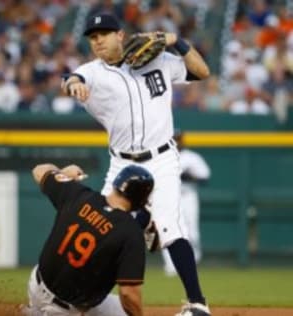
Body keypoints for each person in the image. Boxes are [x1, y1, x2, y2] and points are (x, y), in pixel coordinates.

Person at [61, 12, 211, 316]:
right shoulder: (91, 72)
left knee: (171, 227)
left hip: (163, 158)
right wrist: (73, 84)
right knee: (103, 230)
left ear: (120, 35)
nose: (98, 40)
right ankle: (79, 297)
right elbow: (72, 80)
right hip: (122, 165)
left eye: (104, 33)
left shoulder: (158, 60)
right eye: (92, 37)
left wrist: (175, 41)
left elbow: (202, 71)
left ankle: (197, 304)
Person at [22, 162, 155, 316]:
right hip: (66, 310)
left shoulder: (77, 194)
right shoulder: (130, 233)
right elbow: (128, 293)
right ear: (141, 200)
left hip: (36, 285)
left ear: (115, 184)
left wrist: (62, 173)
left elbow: (39, 170)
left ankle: (34, 311)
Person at [162, 131, 211, 277]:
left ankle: (193, 263)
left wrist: (189, 176)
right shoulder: (162, 157)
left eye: (179, 139)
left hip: (187, 196)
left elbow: (205, 177)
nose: (177, 142)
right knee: (168, 231)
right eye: (174, 139)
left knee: (192, 231)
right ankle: (171, 267)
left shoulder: (192, 157)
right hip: (169, 197)